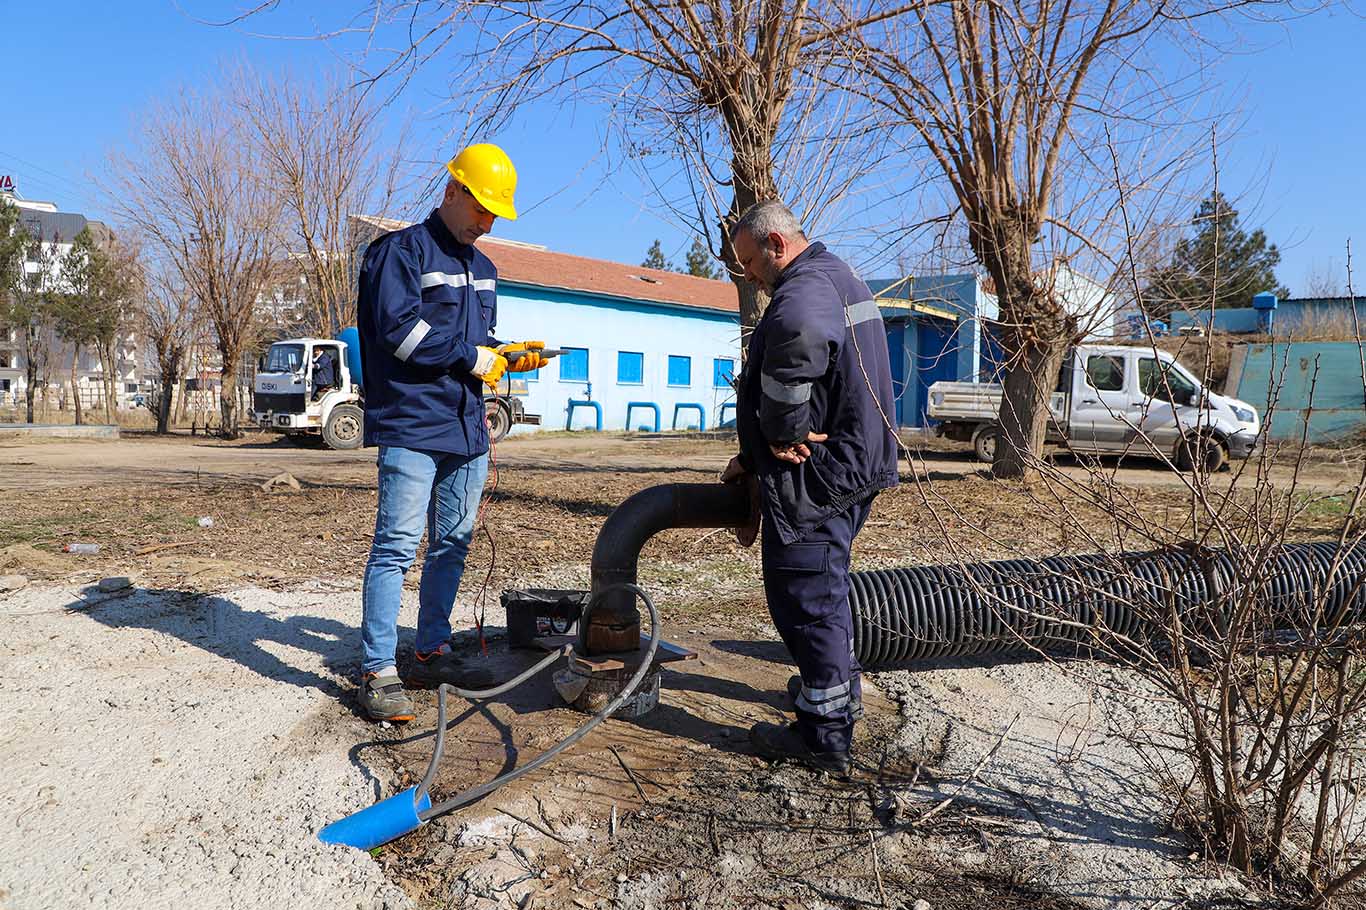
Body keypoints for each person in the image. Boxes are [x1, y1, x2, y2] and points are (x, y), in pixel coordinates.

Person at [353, 143, 549, 722]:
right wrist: (472, 358)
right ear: (453, 190)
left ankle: (431, 649)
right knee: (395, 547)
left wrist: (508, 356)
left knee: (452, 545)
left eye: (495, 214)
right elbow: (399, 333)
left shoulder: (485, 269)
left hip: (466, 429)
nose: (487, 223)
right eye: (482, 208)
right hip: (413, 422)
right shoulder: (400, 253)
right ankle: (377, 669)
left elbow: (477, 345)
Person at [722, 200, 899, 775]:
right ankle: (834, 694)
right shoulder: (837, 275)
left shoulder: (804, 290)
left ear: (776, 243)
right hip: (846, 463)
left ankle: (823, 735)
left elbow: (799, 338)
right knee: (822, 589)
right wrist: (753, 458)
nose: (748, 273)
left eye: (749, 260)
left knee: (807, 596)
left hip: (820, 475)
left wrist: (781, 430)